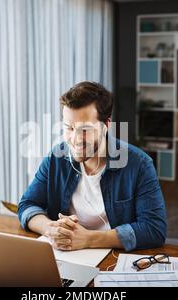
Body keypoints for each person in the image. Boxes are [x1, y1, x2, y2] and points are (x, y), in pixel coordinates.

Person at [18, 81, 166, 252]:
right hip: (64, 256)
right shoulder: (56, 158)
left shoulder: (139, 165)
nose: (75, 139)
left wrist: (89, 239)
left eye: (85, 130)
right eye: (69, 128)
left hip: (113, 257)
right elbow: (27, 204)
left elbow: (154, 229)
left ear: (106, 125)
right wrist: (50, 229)